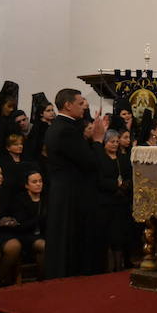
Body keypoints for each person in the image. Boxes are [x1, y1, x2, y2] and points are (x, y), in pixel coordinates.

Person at [44, 88, 106, 279]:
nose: (84, 107)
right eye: (80, 103)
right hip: (72, 193)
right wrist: (97, 140)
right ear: (67, 105)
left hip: (64, 190)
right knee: (71, 239)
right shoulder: (66, 130)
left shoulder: (59, 126)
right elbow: (90, 163)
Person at [95, 130, 130, 274]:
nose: (115, 144)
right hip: (105, 202)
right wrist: (115, 186)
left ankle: (119, 267)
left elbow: (128, 176)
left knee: (118, 236)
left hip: (120, 202)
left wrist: (124, 186)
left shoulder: (122, 158)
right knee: (107, 236)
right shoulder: (100, 158)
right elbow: (99, 179)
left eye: (117, 141)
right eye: (112, 142)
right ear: (105, 142)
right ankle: (107, 268)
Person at [10, 170, 46, 276]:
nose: (38, 184)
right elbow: (20, 225)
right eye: (34, 182)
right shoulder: (19, 200)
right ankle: (44, 280)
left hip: (43, 234)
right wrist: (39, 219)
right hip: (26, 236)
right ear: (26, 185)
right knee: (43, 245)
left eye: (40, 181)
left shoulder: (46, 198)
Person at [0, 81, 20, 148]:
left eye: (13, 107)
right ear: (2, 105)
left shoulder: (13, 122)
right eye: (9, 106)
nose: (11, 109)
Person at [26, 93, 54, 160]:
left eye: (52, 110)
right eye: (48, 111)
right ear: (41, 113)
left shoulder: (54, 123)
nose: (52, 112)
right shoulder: (38, 127)